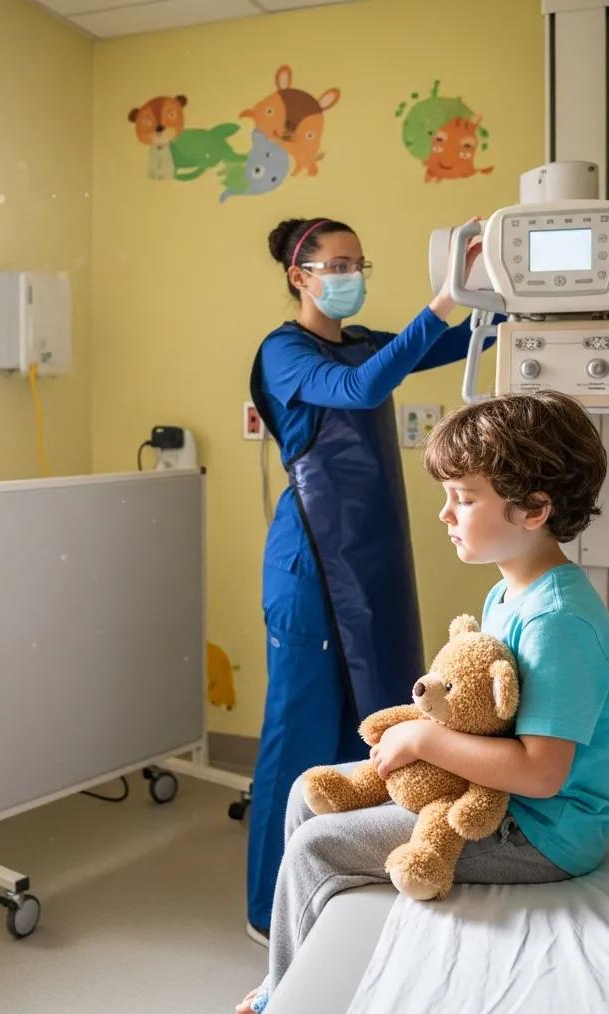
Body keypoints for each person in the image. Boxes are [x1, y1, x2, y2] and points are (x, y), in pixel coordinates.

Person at [237, 390, 609, 1014]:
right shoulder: (511, 593)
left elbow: (542, 772)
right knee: (304, 792)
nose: (446, 514)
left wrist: (421, 741)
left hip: (545, 831)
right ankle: (286, 973)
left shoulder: (559, 621)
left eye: (465, 498)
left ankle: (284, 1005)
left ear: (533, 508)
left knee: (319, 848)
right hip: (507, 798)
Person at [245, 215, 489, 945]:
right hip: (312, 565)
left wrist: (506, 296)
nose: (352, 273)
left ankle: (345, 879)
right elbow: (356, 390)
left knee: (376, 724)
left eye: (360, 261)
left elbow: (450, 343)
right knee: (302, 735)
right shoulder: (286, 351)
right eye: (338, 263)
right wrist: (445, 296)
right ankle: (268, 909)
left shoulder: (359, 341)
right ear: (301, 274)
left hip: (372, 560)